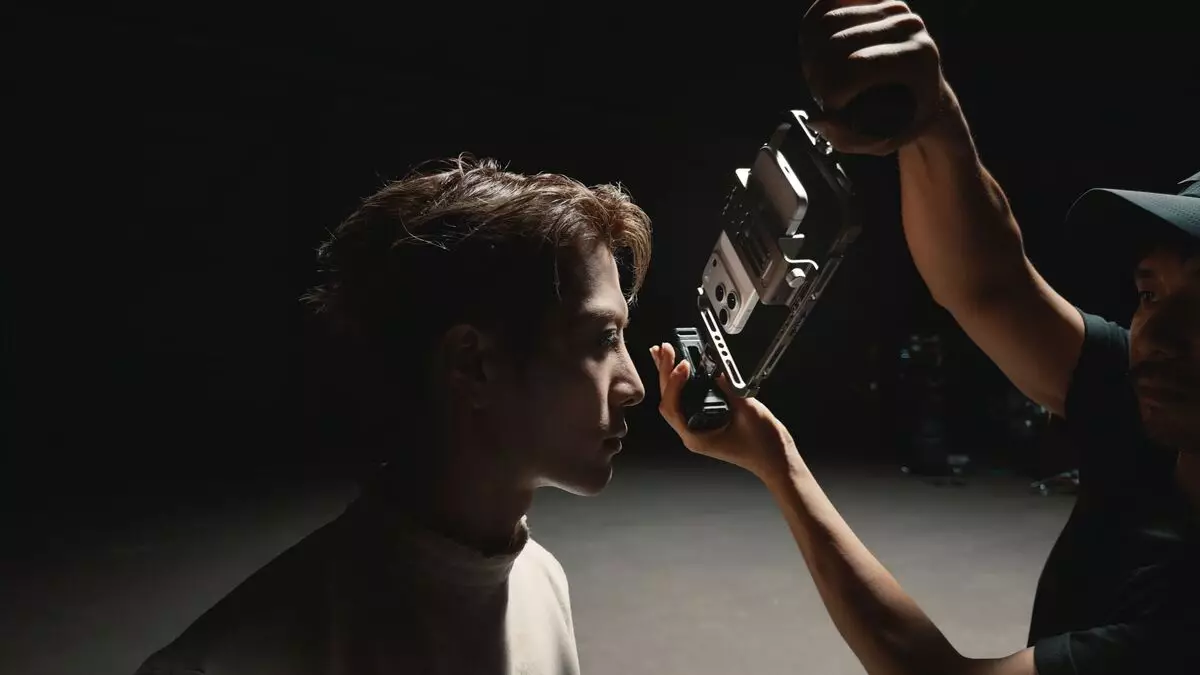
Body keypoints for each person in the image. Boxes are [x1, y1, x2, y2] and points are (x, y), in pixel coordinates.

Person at [651, 1, 1199, 674]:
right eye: (1150, 293)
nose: (1161, 333)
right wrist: (930, 116)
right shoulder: (1153, 401)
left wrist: (779, 465)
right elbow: (990, 286)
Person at [133, 156, 650, 675]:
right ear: (473, 363)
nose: (634, 386)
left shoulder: (542, 584)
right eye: (603, 339)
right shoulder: (232, 660)